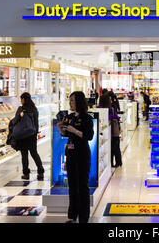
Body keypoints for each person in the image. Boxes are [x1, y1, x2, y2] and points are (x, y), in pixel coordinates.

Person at [57, 91, 94, 223]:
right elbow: (66, 134)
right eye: (70, 101)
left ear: (79, 102)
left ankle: (84, 217)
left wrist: (75, 131)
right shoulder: (70, 117)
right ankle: (72, 215)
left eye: (72, 101)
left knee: (82, 186)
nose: (70, 103)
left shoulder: (86, 118)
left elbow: (89, 136)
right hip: (71, 153)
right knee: (72, 185)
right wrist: (61, 129)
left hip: (82, 153)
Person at [11, 92, 44, 181]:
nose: (21, 101)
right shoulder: (34, 109)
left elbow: (16, 120)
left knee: (24, 155)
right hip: (32, 135)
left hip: (22, 135)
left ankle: (26, 174)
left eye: (21, 99)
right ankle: (40, 171)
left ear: (24, 99)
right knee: (34, 153)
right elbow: (36, 123)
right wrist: (35, 133)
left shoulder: (21, 109)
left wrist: (11, 123)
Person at [99, 94, 122, 167]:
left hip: (105, 133)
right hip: (113, 132)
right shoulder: (110, 109)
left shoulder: (99, 109)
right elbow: (116, 118)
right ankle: (118, 162)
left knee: (110, 148)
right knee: (116, 147)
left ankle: (110, 163)